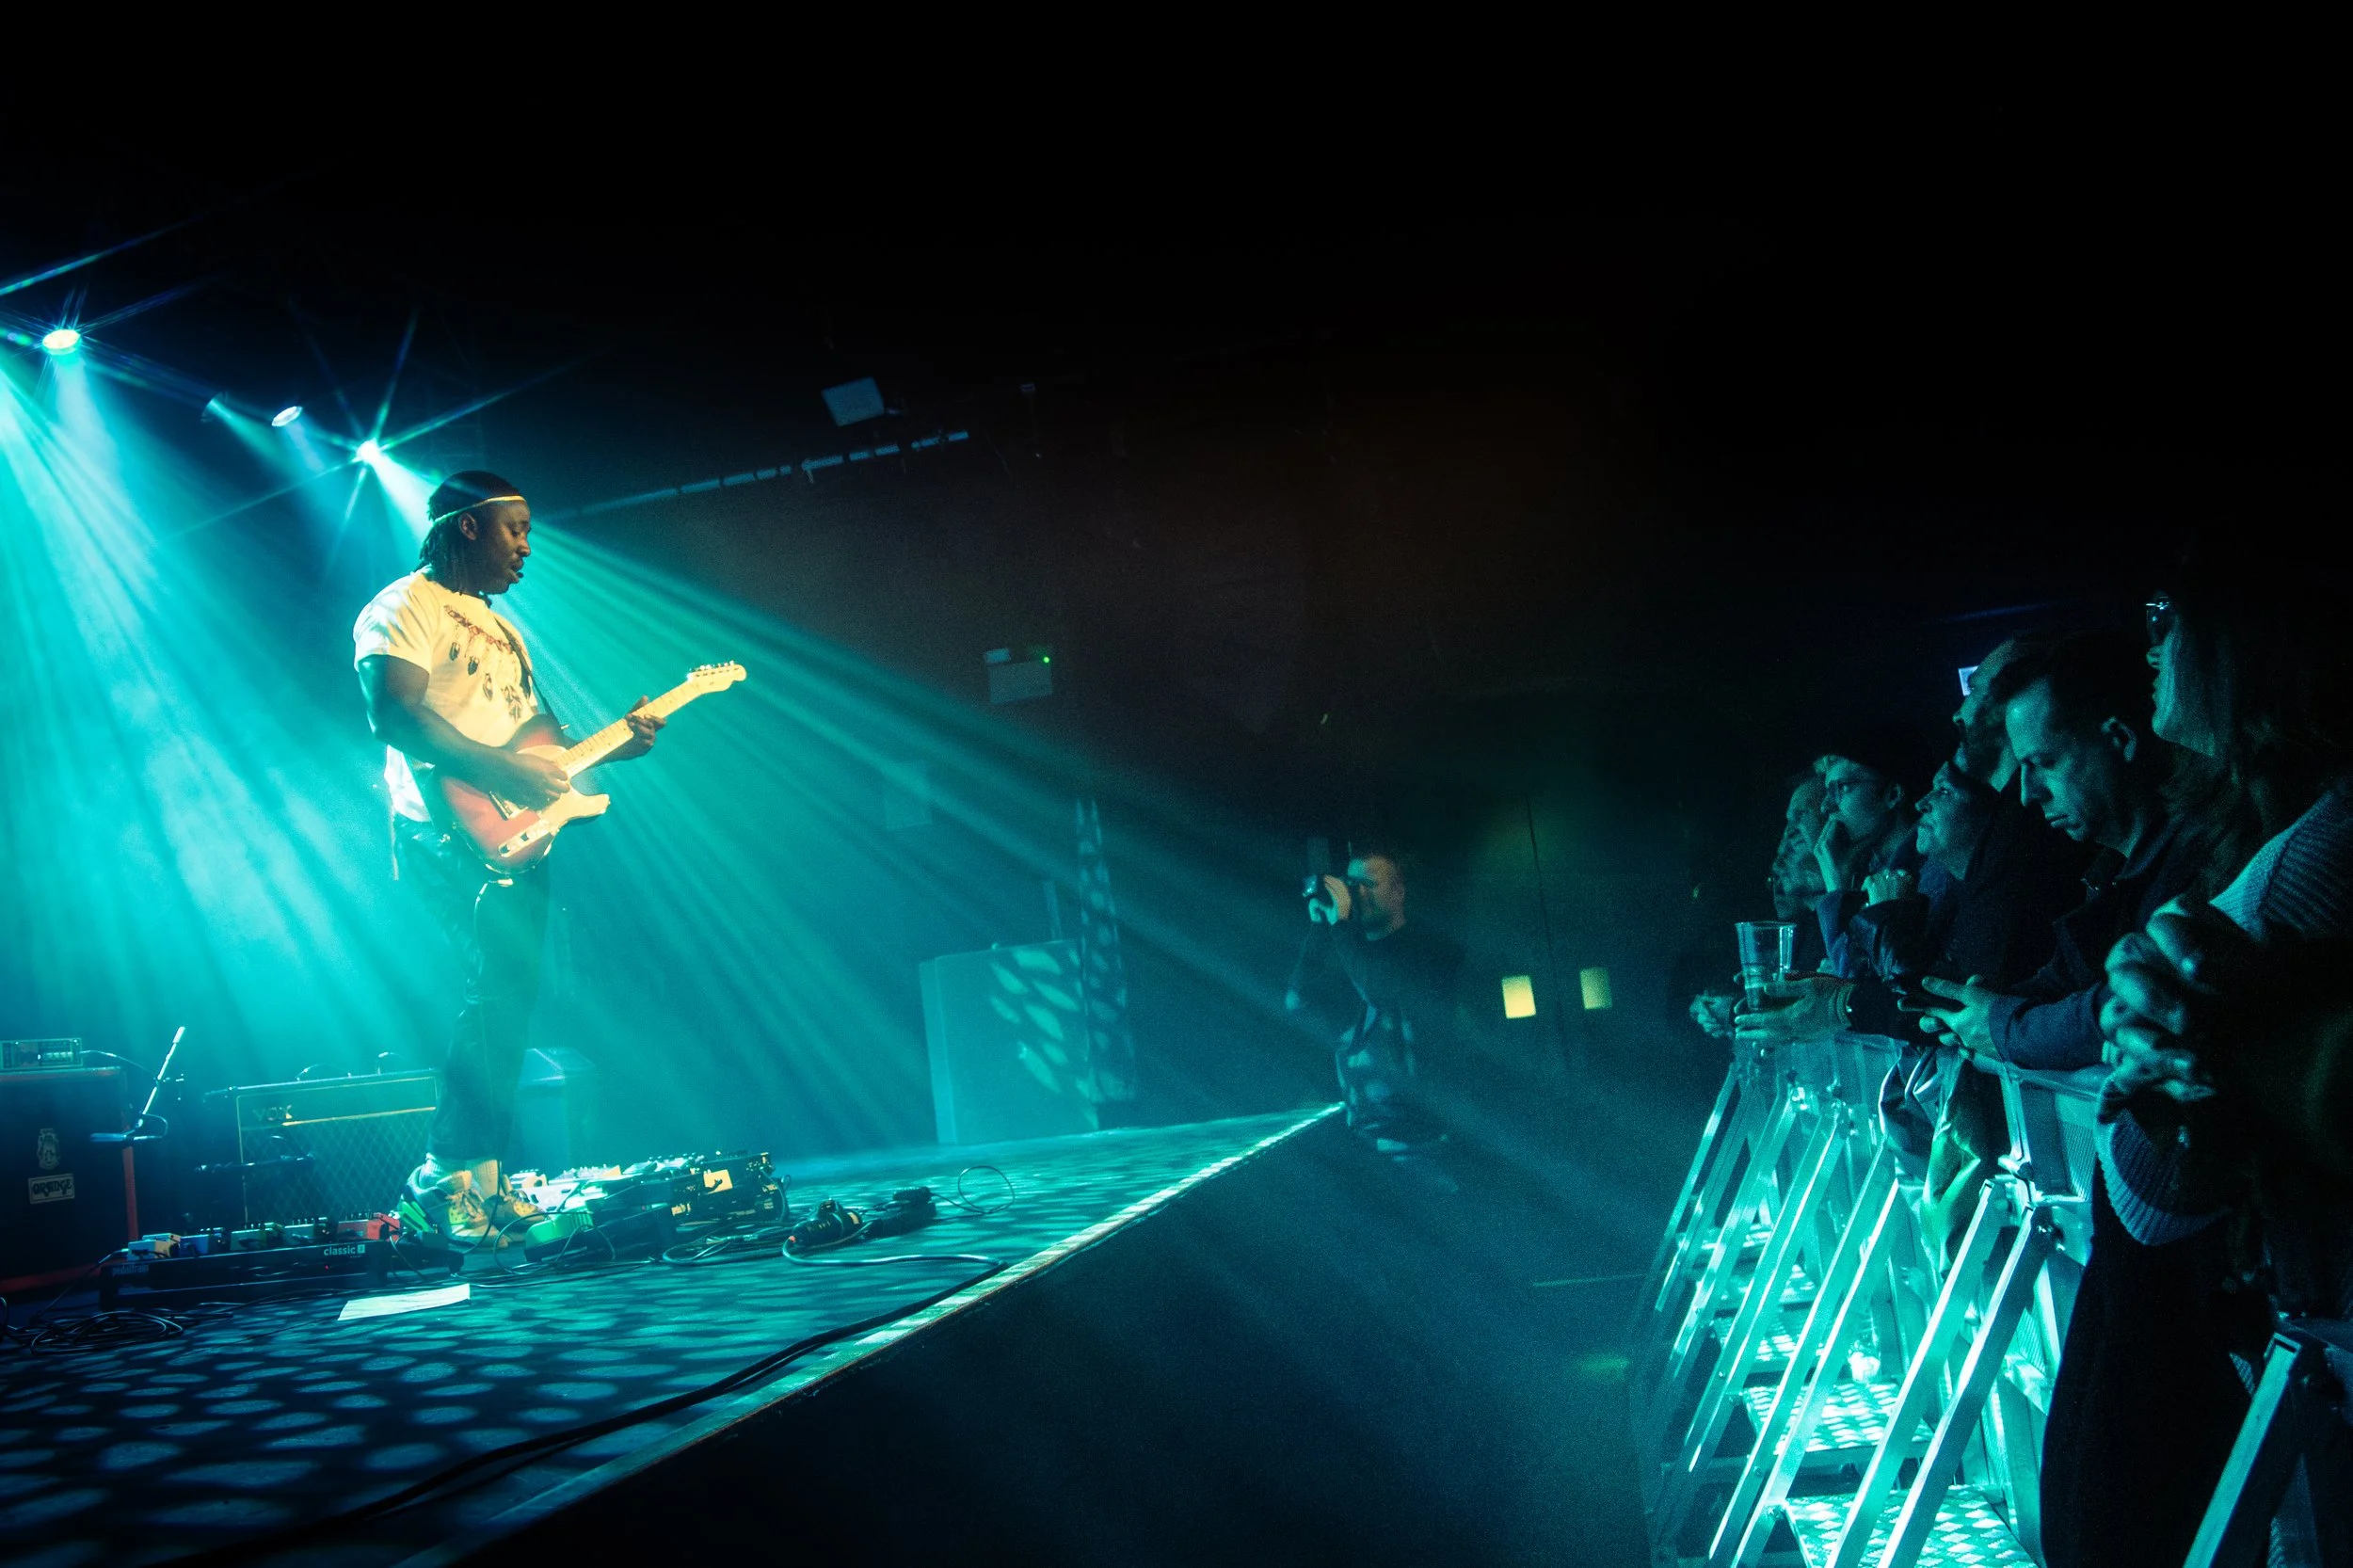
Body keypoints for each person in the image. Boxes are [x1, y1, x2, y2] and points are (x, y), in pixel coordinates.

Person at [2046, 548, 2353, 1568]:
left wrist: (2149, 1052)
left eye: (2164, 612)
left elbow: (2149, 1194)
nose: (2149, 644)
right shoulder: (2284, 838)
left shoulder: (2314, 853)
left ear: (2247, 637)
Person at [353, 472, 665, 1247]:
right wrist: (502, 773)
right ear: (469, 527)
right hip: (443, 828)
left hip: (512, 828)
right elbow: (393, 714)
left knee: (511, 996)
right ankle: (443, 1178)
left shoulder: (504, 631)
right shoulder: (404, 605)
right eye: (515, 529)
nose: (527, 546)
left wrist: (615, 746)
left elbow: (540, 747)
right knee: (494, 989)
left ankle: (483, 1187)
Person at [1913, 631, 2201, 1071]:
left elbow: (2134, 1002)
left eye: (2044, 763)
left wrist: (2002, 1025)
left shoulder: (2198, 860)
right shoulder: (2110, 874)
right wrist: (1976, 1009)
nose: (2028, 794)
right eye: (2022, 768)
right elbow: (2066, 981)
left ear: (2120, 738)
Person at [1285, 845, 1463, 1178]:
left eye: (1369, 884)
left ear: (1398, 891)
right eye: (1353, 884)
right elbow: (1298, 1002)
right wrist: (1320, 929)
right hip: (1367, 1142)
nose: (1359, 893)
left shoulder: (1426, 950)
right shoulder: (1350, 956)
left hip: (1423, 1141)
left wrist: (1340, 926)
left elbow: (1380, 991)